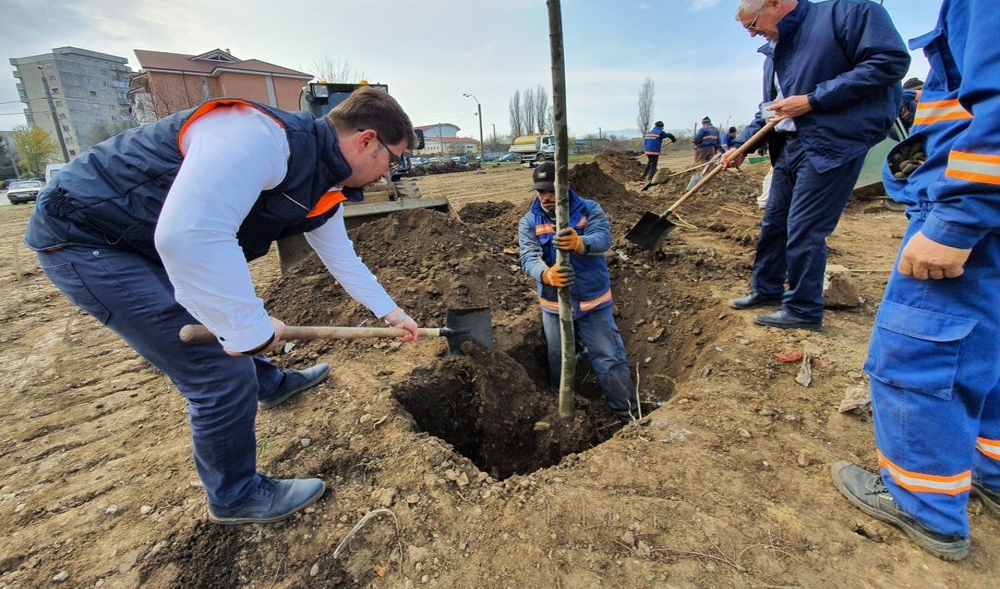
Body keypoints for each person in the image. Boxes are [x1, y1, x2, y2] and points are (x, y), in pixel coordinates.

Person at [24, 87, 421, 525]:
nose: (389, 174)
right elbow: (188, 237)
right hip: (88, 236)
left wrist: (392, 313)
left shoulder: (322, 180)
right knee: (217, 368)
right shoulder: (257, 137)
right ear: (366, 140)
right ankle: (235, 495)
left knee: (223, 323)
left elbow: (342, 257)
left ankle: (269, 385)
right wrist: (248, 329)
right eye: (392, 158)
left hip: (143, 237)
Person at [832, 0, 1000, 562]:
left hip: (966, 212)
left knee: (915, 357)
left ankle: (923, 502)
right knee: (983, 350)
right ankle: (989, 471)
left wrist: (958, 218)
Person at [722, 0, 909, 331]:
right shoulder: (775, 52)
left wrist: (813, 99)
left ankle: (804, 310)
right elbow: (769, 112)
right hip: (789, 148)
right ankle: (766, 289)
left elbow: (889, 61)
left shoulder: (850, 14)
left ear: (774, 4)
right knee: (774, 223)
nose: (751, 35)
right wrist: (740, 146)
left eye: (751, 25)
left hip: (832, 144)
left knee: (805, 228)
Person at [518, 162, 639, 422]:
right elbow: (528, 256)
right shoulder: (529, 221)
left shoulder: (588, 209)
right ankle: (562, 411)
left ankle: (627, 414)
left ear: (566, 186)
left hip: (593, 302)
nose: (546, 197)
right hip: (554, 306)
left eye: (551, 190)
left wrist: (581, 242)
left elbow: (604, 239)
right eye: (540, 192)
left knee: (608, 358)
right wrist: (546, 274)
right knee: (559, 359)